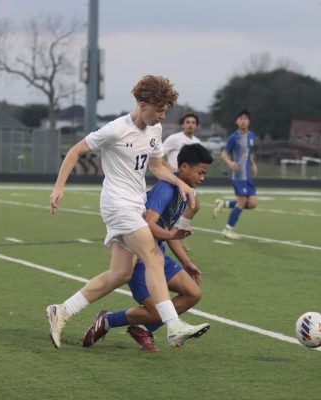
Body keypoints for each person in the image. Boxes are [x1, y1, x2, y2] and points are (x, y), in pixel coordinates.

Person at [45, 75, 208, 348]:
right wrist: (58, 188)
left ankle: (61, 311)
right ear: (142, 104)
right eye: (159, 109)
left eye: (166, 110)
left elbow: (156, 168)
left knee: (120, 274)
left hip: (133, 204)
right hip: (117, 204)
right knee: (153, 256)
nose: (163, 115)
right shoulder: (115, 129)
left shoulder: (154, 131)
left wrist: (180, 183)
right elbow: (75, 151)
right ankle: (173, 326)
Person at [82, 143, 213, 351]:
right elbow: (148, 226)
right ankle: (107, 320)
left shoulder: (182, 193)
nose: (202, 178)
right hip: (139, 256)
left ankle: (142, 327)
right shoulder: (166, 189)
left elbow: (169, 230)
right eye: (200, 172)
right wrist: (170, 234)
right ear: (185, 167)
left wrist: (186, 263)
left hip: (157, 254)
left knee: (193, 294)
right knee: (156, 310)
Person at [212, 109, 258, 239]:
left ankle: (224, 204)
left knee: (252, 204)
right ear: (236, 121)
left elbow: (249, 153)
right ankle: (227, 230)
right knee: (242, 201)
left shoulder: (251, 136)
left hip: (247, 175)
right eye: (241, 118)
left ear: (249, 121)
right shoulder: (234, 137)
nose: (243, 121)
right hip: (238, 175)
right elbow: (224, 153)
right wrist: (230, 163)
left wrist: (253, 164)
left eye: (246, 118)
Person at [162, 113, 202, 233]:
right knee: (170, 211)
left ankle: (180, 233)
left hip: (187, 181)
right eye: (187, 122)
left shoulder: (197, 142)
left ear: (197, 126)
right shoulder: (174, 138)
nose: (190, 125)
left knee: (193, 206)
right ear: (182, 125)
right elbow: (160, 155)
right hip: (173, 178)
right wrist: (169, 168)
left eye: (193, 122)